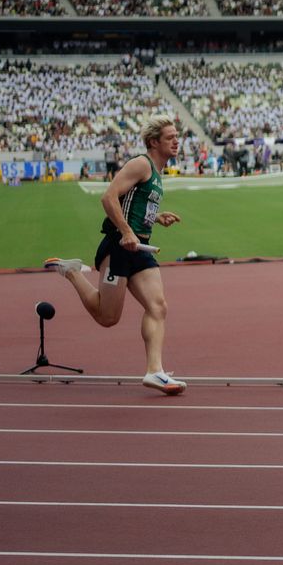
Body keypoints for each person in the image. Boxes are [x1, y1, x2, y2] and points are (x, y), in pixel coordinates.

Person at [42, 115, 188, 394]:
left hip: (141, 249)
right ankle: (72, 272)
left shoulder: (157, 172)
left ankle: (154, 371)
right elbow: (108, 197)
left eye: (176, 136)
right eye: (170, 137)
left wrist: (156, 218)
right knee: (108, 317)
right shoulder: (141, 164)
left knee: (158, 306)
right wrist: (125, 232)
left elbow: (133, 202)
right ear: (153, 142)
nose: (176, 141)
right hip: (120, 247)